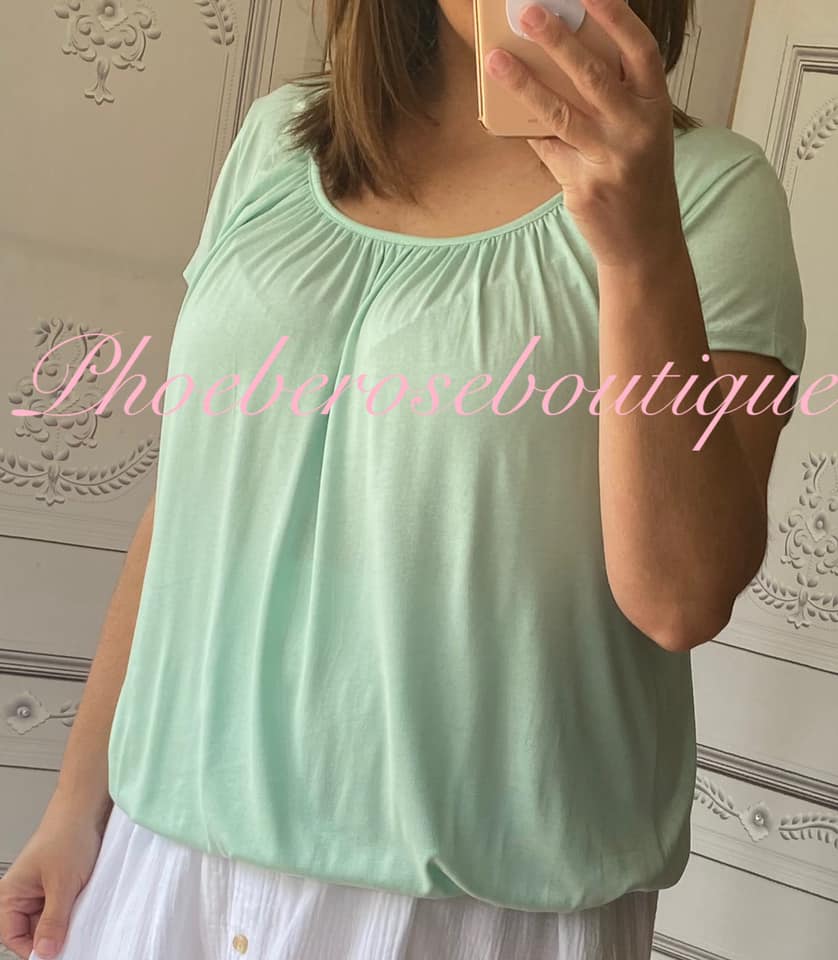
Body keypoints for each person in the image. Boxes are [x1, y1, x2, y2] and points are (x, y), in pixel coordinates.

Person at [0, 0, 807, 958]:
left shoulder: (711, 194)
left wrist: (639, 251)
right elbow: (193, 500)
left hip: (470, 912)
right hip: (165, 864)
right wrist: (76, 804)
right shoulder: (277, 143)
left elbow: (679, 598)